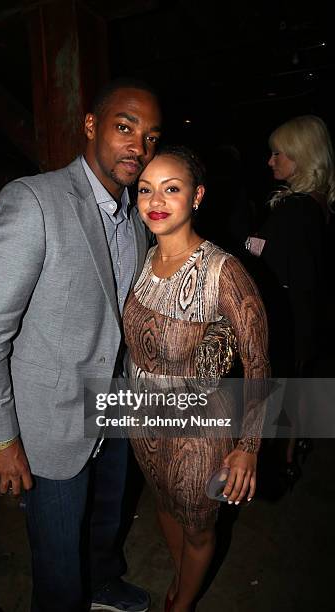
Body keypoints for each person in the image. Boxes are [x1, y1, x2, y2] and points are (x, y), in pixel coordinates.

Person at [0, 78, 162, 612]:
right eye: (125, 128)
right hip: (49, 421)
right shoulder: (35, 200)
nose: (138, 148)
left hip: (114, 406)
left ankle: (101, 582)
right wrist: (2, 440)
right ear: (91, 126)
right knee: (56, 559)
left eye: (150, 138)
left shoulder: (135, 216)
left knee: (105, 519)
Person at [123, 145, 270, 612]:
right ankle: (182, 570)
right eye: (146, 190)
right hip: (143, 416)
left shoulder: (223, 272)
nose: (155, 201)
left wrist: (248, 447)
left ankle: (182, 602)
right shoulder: (145, 258)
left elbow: (259, 362)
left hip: (199, 430)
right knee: (165, 502)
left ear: (198, 196)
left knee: (199, 525)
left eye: (172, 189)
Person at [245, 115, 335, 480]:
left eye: (277, 154)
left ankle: (276, 464)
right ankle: (289, 455)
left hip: (288, 324)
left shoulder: (296, 212)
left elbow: (278, 271)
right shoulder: (314, 205)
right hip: (305, 325)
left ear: (301, 156)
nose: (270, 161)